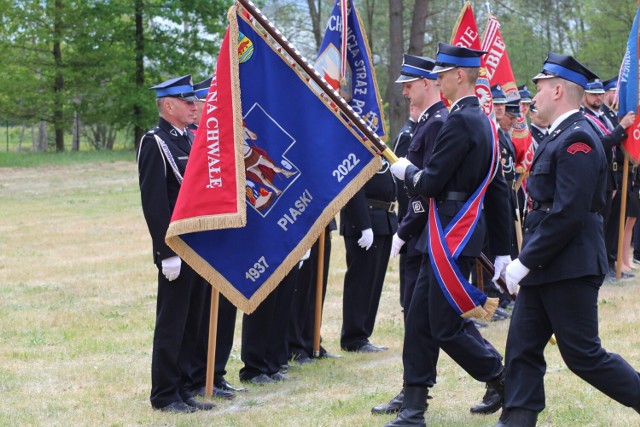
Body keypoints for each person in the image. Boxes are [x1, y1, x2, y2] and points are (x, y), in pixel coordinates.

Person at [495, 52, 640, 426]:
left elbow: (568, 213)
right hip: (549, 262)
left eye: (540, 87)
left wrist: (524, 261)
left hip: (568, 264)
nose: (534, 97)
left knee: (583, 355)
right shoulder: (561, 134)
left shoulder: (578, 138)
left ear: (558, 90)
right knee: (522, 349)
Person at [387, 43, 512, 426]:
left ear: (460, 75)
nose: (437, 79)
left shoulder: (460, 121)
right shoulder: (484, 120)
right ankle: (413, 407)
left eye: (442, 74)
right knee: (423, 320)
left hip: (449, 235)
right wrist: (504, 250)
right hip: (456, 234)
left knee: (442, 324)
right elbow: (499, 190)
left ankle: (503, 377)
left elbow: (432, 181)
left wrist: (407, 171)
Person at [372, 54, 447, 416]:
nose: (403, 89)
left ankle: (495, 374)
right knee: (414, 317)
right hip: (415, 234)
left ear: (428, 83)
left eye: (410, 83)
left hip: (423, 234)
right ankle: (412, 388)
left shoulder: (436, 125)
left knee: (426, 320)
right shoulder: (418, 126)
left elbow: (426, 191)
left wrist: (403, 231)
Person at [137, 75, 215, 413]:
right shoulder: (156, 143)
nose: (195, 106)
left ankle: (183, 388)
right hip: (176, 249)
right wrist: (165, 252)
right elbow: (155, 204)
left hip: (196, 247)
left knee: (192, 321)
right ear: (168, 105)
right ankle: (165, 393)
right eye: (187, 101)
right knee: (172, 322)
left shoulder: (188, 141)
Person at [186, 76, 246, 400]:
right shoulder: (198, 142)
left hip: (226, 235)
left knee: (226, 308)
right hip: (203, 237)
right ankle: (199, 374)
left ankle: (217, 371)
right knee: (203, 312)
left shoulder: (225, 139)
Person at [339, 156, 398, 353]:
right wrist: (364, 225)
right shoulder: (355, 152)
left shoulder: (379, 152)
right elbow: (354, 188)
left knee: (373, 281)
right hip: (366, 221)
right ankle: (353, 337)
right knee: (361, 281)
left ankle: (363, 334)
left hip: (383, 220)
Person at [581, 79, 636, 278]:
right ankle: (600, 269)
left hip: (612, 175)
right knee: (600, 225)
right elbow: (601, 143)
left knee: (613, 224)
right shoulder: (584, 118)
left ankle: (612, 264)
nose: (598, 97)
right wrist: (621, 127)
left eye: (600, 94)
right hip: (598, 176)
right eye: (593, 94)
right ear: (584, 95)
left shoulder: (605, 114)